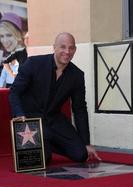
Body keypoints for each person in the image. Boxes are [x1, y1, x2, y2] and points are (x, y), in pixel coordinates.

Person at [9, 32, 101, 165]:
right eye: (63, 47)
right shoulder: (33, 63)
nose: (67, 52)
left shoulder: (77, 75)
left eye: (71, 48)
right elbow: (14, 92)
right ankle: (43, 144)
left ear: (75, 50)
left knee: (81, 154)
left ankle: (47, 142)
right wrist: (19, 114)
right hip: (31, 120)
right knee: (42, 159)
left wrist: (86, 143)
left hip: (54, 120)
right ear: (54, 47)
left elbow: (79, 109)